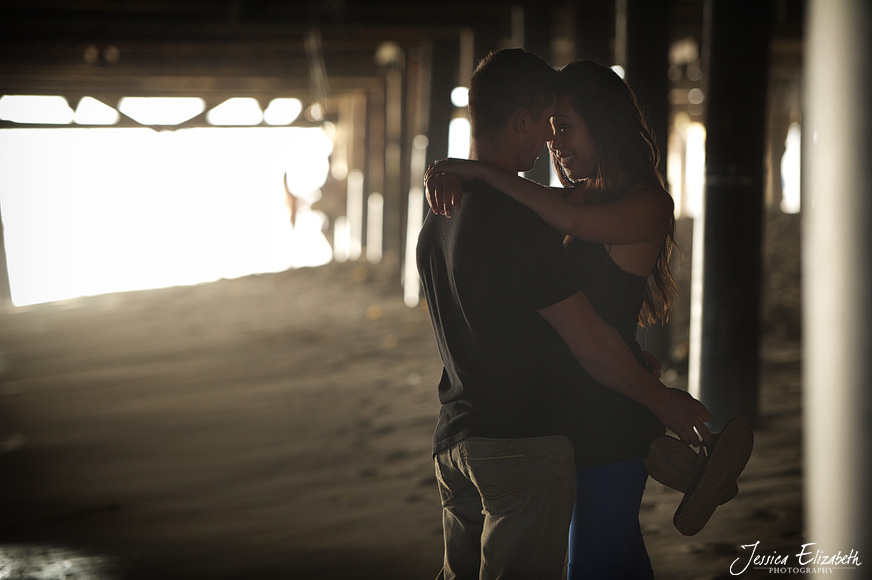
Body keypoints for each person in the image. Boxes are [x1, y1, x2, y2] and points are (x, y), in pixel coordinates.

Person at [425, 59, 753, 578]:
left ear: (604, 123)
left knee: (595, 561)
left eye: (565, 127)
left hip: (606, 410)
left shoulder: (646, 204)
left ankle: (684, 454)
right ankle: (691, 466)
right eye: (549, 129)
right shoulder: (573, 197)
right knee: (617, 556)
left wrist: (481, 169)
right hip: (571, 404)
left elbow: (567, 222)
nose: (553, 143)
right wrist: (463, 171)